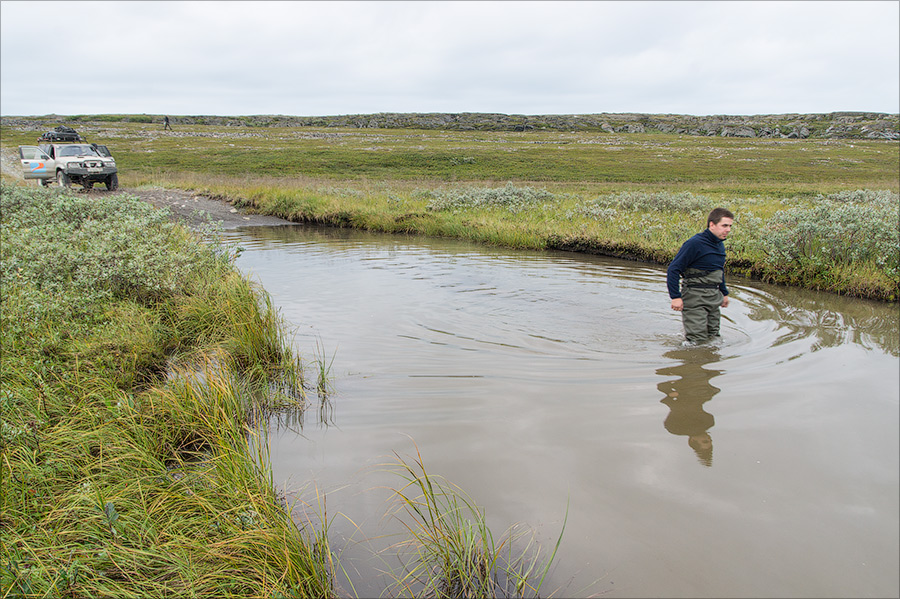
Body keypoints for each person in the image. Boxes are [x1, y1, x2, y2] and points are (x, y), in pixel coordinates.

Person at [667, 208, 734, 345]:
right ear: (712, 225)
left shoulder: (720, 245)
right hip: (694, 297)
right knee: (697, 342)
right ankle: (691, 364)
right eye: (724, 225)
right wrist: (675, 297)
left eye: (730, 226)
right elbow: (673, 269)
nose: (728, 230)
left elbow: (718, 271)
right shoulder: (694, 244)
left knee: (714, 337)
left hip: (714, 297)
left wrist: (724, 293)